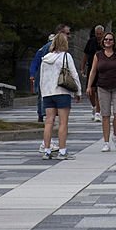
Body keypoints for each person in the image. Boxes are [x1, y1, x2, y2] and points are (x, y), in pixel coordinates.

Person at [39, 31, 82, 160]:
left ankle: (47, 150)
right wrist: (78, 92)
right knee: (63, 122)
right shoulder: (66, 56)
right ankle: (62, 151)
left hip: (48, 93)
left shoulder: (45, 59)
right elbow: (74, 74)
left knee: (49, 122)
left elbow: (42, 78)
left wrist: (43, 94)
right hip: (62, 92)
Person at [86, 31, 116, 152]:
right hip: (103, 87)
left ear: (114, 42)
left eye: (110, 40)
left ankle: (115, 135)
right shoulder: (98, 55)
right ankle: (106, 142)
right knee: (105, 115)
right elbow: (93, 71)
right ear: (103, 42)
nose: (108, 42)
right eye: (106, 40)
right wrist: (89, 86)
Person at [29, 23, 70, 123]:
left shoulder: (43, 48)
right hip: (51, 77)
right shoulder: (54, 48)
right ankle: (48, 114)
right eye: (67, 34)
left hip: (44, 78)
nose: (69, 36)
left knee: (43, 95)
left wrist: (32, 74)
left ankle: (42, 115)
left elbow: (35, 61)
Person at [81, 25, 105, 121]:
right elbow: (85, 55)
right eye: (97, 34)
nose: (99, 35)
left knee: (99, 90)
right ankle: (94, 106)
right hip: (91, 67)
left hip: (102, 68)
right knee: (90, 90)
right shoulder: (91, 42)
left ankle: (98, 112)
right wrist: (82, 68)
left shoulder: (106, 42)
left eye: (100, 34)